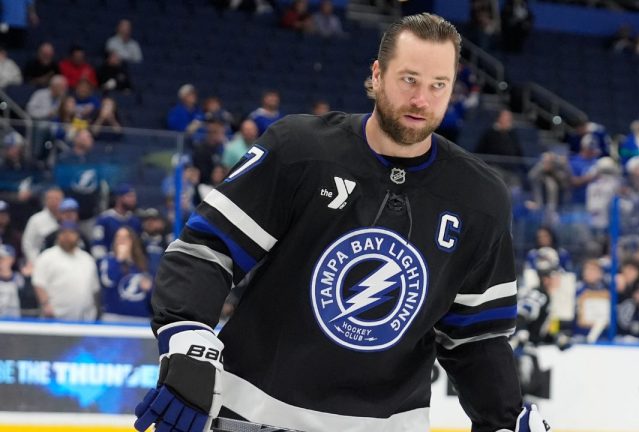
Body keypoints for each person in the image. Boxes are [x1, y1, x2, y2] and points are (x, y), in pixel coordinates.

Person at [134, 13, 548, 432]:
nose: (422, 99)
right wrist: (188, 338)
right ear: (377, 73)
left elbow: (476, 338)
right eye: (409, 80)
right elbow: (207, 251)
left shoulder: (480, 198)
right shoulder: (299, 150)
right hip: (253, 416)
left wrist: (504, 420)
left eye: (438, 85)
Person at [32, 221, 99, 320]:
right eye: (63, 233)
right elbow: (38, 283)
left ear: (77, 236)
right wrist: (46, 305)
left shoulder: (87, 259)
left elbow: (95, 289)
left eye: (71, 233)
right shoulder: (47, 256)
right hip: (55, 316)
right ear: (58, 236)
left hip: (84, 318)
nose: (67, 237)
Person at [99, 226, 153, 322]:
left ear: (132, 241)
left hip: (140, 318)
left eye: (125, 238)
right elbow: (107, 282)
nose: (121, 240)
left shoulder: (142, 262)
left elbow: (152, 296)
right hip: (114, 318)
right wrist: (119, 260)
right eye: (118, 237)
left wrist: (149, 289)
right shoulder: (109, 260)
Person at [91, 184, 142, 261]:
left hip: (131, 263)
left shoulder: (135, 220)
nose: (133, 199)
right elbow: (97, 245)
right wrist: (103, 262)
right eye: (129, 196)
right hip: (109, 261)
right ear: (119, 198)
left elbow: (138, 246)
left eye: (134, 196)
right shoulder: (104, 219)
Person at [21, 187, 63, 265]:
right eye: (51, 198)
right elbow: (27, 244)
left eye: (57, 199)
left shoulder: (68, 218)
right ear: (45, 200)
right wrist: (36, 263)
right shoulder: (36, 219)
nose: (54, 201)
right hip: (41, 261)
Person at [0, 244, 23, 318]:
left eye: (3, 258)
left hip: (14, 321)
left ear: (12, 259)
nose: (1, 261)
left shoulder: (19, 279)